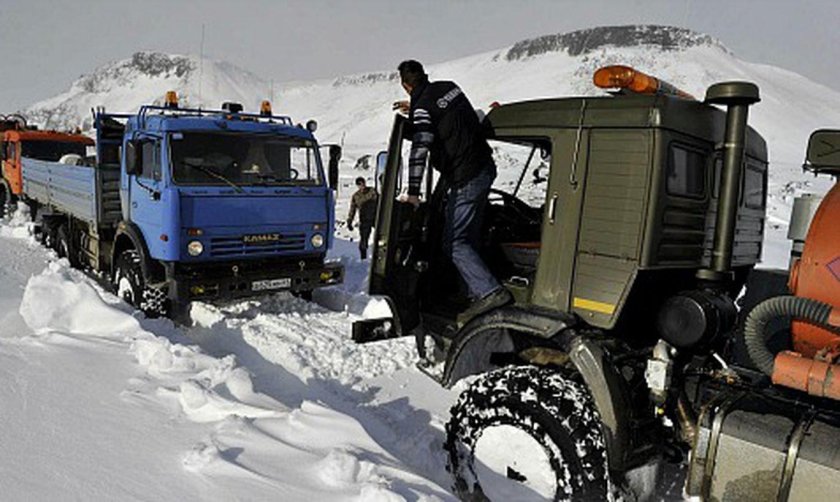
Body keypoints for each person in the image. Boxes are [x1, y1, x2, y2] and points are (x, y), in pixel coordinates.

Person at [393, 60, 512, 321]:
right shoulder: (450, 87)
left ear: (405, 85)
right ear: (425, 75)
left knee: (454, 242)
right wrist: (416, 109)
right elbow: (449, 117)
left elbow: (420, 148)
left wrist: (413, 192)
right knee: (469, 235)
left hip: (465, 177)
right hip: (484, 167)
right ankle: (472, 292)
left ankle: (490, 291)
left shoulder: (423, 106)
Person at [347, 176, 378, 260]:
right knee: (364, 239)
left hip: (376, 218)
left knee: (380, 238)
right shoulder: (356, 196)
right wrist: (349, 221)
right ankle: (363, 258)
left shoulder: (372, 191)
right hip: (364, 220)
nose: (362, 185)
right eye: (359, 184)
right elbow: (352, 209)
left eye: (363, 183)